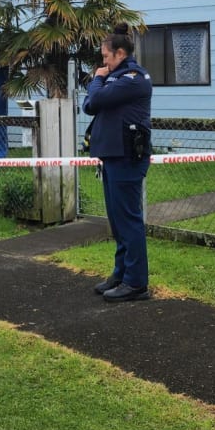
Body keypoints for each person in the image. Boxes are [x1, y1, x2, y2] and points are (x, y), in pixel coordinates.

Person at [82, 23, 153, 302]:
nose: (103, 63)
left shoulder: (134, 78)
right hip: (112, 156)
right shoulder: (116, 77)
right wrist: (99, 82)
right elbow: (90, 106)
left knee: (129, 220)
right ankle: (121, 274)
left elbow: (95, 97)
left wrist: (97, 80)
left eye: (106, 57)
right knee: (117, 220)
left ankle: (136, 284)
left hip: (127, 157)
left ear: (120, 53)